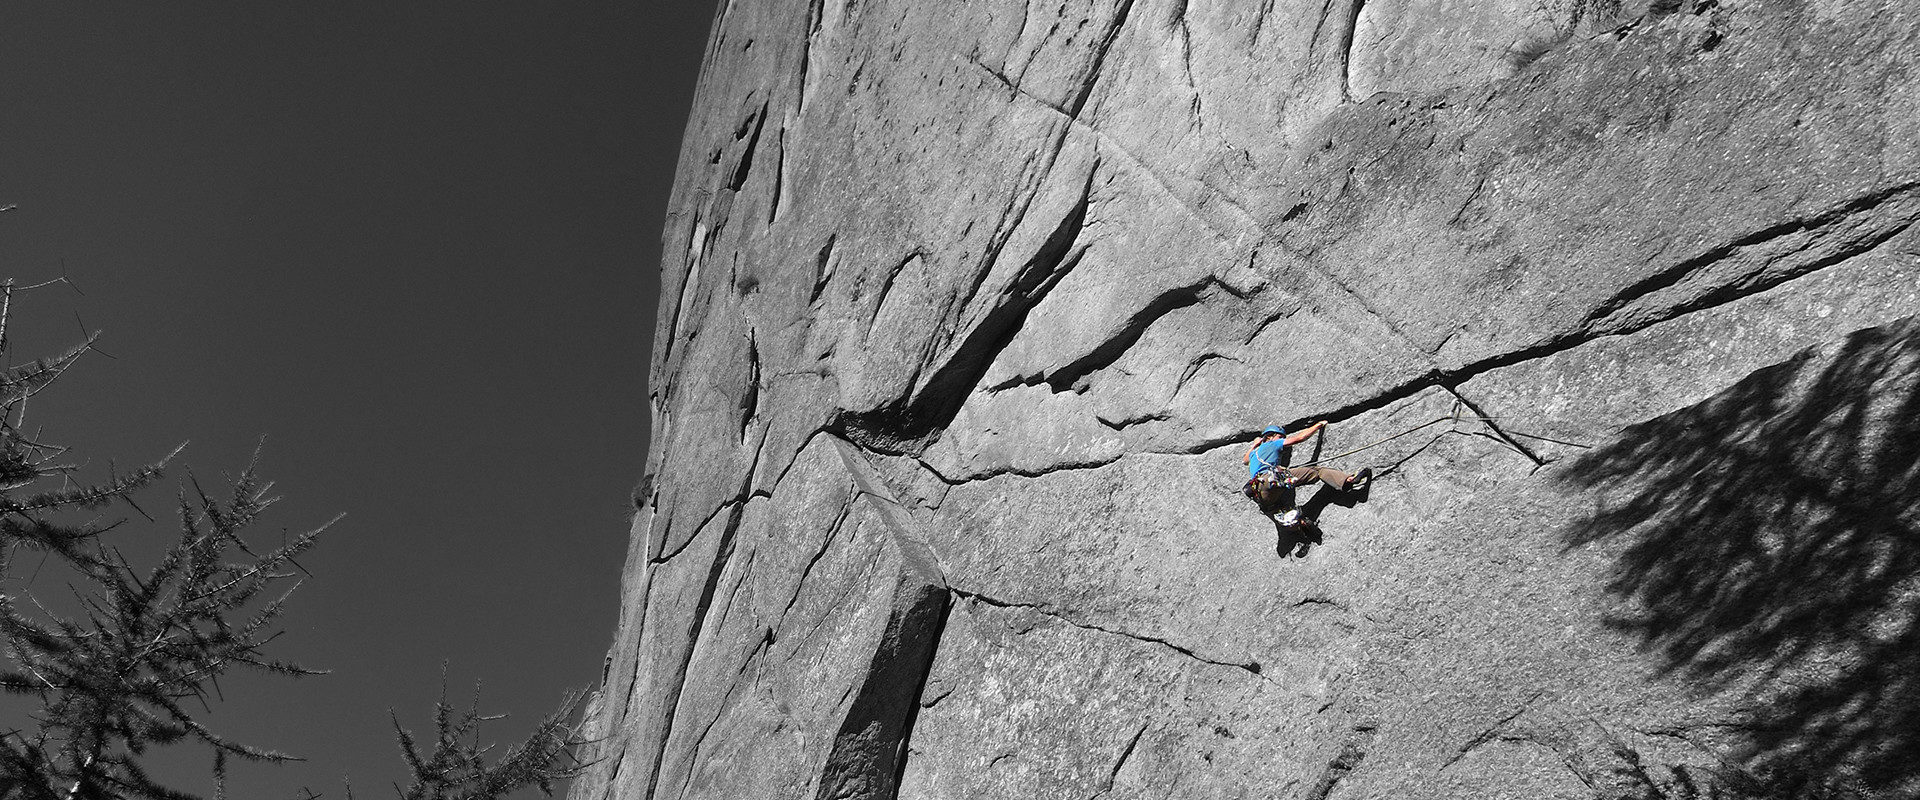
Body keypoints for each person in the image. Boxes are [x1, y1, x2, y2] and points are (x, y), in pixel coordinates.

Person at [1242, 422, 1370, 517]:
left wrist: (1255, 444)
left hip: (1261, 495)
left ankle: (1299, 529)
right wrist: (1317, 426)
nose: (1282, 439)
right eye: (1280, 436)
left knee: (1285, 511)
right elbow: (1299, 438)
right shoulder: (1272, 443)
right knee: (1318, 471)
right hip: (1270, 479)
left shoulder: (1254, 453)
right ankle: (1347, 480)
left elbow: (1245, 460)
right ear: (1270, 436)